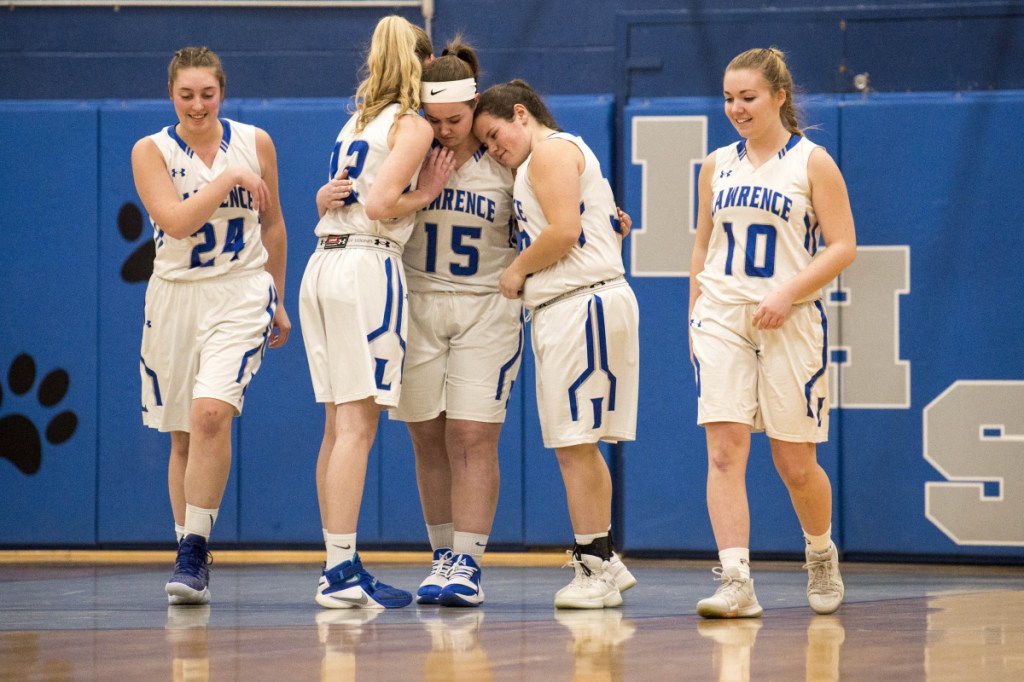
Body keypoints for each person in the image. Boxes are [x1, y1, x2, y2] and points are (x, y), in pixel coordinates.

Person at [688, 47, 857, 618]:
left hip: (789, 318)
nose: (736, 108)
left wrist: (787, 291)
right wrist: (695, 314)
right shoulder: (716, 165)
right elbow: (701, 245)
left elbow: (842, 246)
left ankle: (819, 551)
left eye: (748, 97)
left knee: (794, 463)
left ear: (779, 96)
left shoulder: (812, 162)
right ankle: (736, 580)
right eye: (729, 97)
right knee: (724, 450)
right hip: (723, 317)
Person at [299, 15, 454, 610]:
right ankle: (339, 575)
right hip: (367, 266)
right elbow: (383, 202)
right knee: (358, 427)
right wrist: (428, 194)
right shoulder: (410, 124)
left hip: (323, 263)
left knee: (339, 425)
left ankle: (338, 562)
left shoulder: (356, 120)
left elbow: (341, 192)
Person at [131, 46, 291, 605]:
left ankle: (194, 549)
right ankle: (186, 545)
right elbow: (174, 223)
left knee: (210, 414)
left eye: (208, 93)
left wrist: (278, 295)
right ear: (170, 95)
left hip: (240, 291)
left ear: (222, 91)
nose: (198, 105)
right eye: (186, 95)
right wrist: (229, 181)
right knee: (182, 433)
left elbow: (273, 226)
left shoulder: (256, 141)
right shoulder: (149, 151)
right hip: (175, 297)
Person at [472, 80, 639, 609]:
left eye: (495, 136)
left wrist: (516, 271)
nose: (494, 150)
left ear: (521, 114)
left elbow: (565, 231)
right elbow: (589, 223)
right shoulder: (554, 156)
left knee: (574, 442)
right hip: (575, 305)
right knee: (577, 441)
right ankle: (604, 558)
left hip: (579, 303)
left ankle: (594, 566)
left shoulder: (547, 152)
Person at [382, 36, 521, 608]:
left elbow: (564, 206)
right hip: (416, 302)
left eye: (455, 119)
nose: (444, 130)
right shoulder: (407, 154)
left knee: (471, 434)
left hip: (485, 306)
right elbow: (367, 203)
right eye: (433, 119)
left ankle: (467, 559)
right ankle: (441, 554)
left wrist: (609, 216)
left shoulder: (506, 161)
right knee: (426, 435)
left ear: (477, 104)